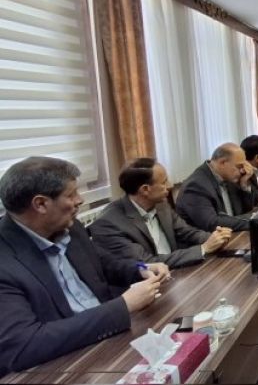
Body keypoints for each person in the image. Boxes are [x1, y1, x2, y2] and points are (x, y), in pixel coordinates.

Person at [0, 157, 169, 375]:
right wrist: (123, 306)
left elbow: (103, 263)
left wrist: (140, 268)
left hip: (113, 342)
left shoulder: (70, 226)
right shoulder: (5, 261)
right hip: (63, 366)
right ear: (40, 204)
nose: (80, 200)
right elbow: (23, 346)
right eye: (71, 194)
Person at [90, 159, 233, 269]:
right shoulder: (109, 224)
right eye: (164, 182)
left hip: (176, 273)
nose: (169, 185)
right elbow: (147, 263)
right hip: (145, 287)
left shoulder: (161, 205)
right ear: (145, 190)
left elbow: (187, 232)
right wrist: (203, 248)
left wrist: (216, 238)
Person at [176, 143, 257, 232]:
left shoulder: (229, 177)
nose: (243, 171)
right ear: (222, 163)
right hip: (209, 238)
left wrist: (244, 185)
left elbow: (246, 211)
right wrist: (253, 221)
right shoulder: (196, 185)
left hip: (233, 233)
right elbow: (213, 223)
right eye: (239, 166)